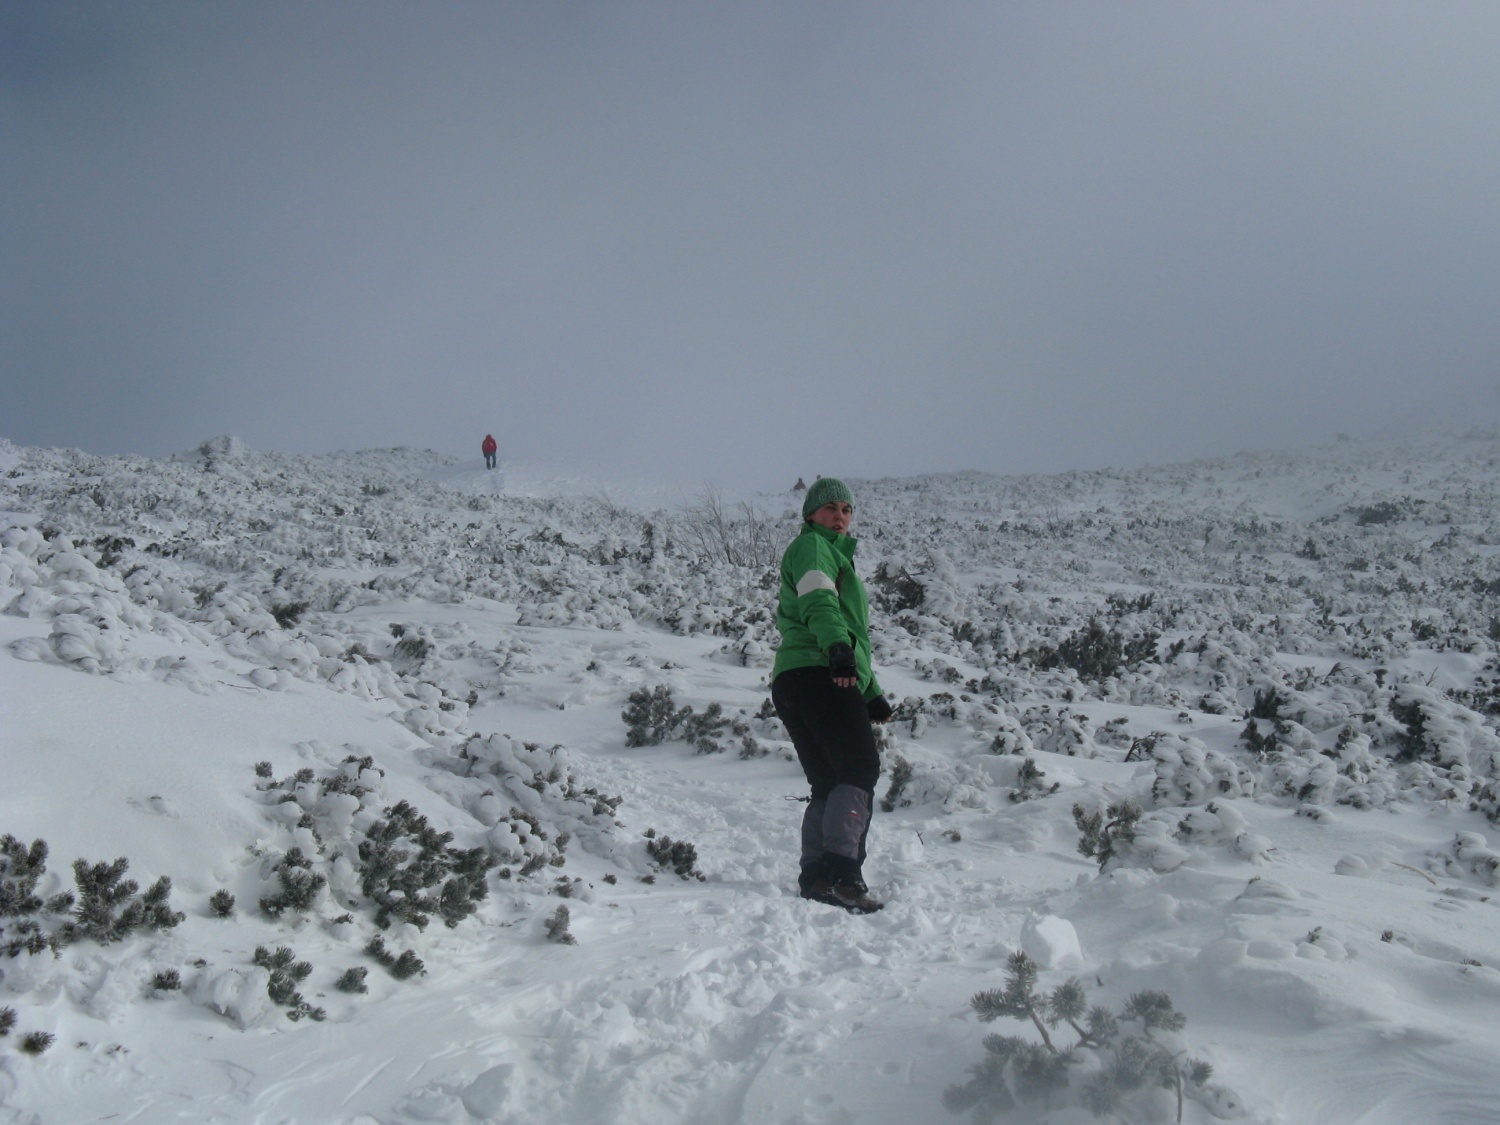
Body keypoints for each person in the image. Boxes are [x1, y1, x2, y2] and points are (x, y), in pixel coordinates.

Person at [770, 477, 893, 913]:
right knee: (858, 770)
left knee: (827, 781)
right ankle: (844, 875)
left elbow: (853, 631)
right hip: (819, 671)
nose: (839, 517)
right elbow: (819, 603)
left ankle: (817, 877)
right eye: (829, 509)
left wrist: (871, 690)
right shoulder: (812, 548)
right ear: (810, 515)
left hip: (796, 678)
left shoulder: (833, 555)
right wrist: (837, 651)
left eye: (846, 509)